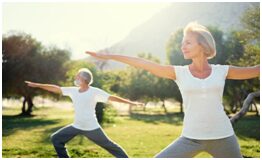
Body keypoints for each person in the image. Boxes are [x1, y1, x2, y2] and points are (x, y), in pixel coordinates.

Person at [85, 22, 260, 158]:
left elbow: (255, 70)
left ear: (202, 45)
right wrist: (109, 56)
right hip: (191, 138)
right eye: (182, 43)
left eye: (188, 42)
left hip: (223, 137)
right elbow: (143, 63)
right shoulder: (179, 73)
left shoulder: (222, 71)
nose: (182, 46)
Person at [25, 68, 143, 158]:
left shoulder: (94, 92)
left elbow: (112, 97)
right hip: (77, 126)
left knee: (110, 146)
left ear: (84, 79)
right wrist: (38, 85)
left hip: (92, 128)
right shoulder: (73, 91)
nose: (75, 78)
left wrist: (132, 103)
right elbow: (55, 88)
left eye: (78, 76)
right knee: (56, 138)